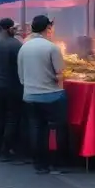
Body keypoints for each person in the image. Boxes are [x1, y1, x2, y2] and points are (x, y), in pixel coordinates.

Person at [17, 16, 68, 174]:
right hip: (51, 96)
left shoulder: (23, 47)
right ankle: (57, 163)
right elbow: (60, 74)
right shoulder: (52, 48)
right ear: (47, 28)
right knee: (59, 128)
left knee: (36, 129)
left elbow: (21, 76)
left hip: (30, 95)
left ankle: (39, 164)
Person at [0, 18, 24, 163]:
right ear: (8, 28)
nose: (15, 30)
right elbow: (20, 66)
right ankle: (6, 150)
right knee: (11, 119)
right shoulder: (15, 44)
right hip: (11, 86)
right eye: (13, 28)